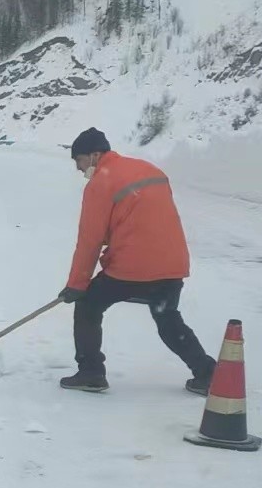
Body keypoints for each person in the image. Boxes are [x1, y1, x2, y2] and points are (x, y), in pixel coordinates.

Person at [56, 128, 218, 394]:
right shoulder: (149, 169)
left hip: (132, 269)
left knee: (88, 305)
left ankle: (91, 372)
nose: (78, 168)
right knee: (167, 319)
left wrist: (77, 284)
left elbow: (90, 241)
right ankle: (207, 373)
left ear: (95, 155)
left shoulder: (100, 184)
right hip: (171, 265)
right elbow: (143, 216)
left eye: (80, 161)